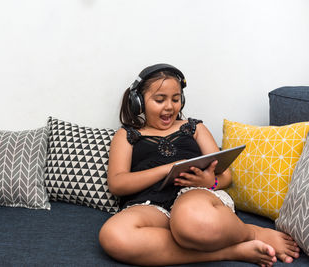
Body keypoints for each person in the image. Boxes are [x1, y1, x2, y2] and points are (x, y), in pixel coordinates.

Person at [99, 63, 300, 266]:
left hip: (195, 195)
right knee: (114, 234)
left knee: (191, 219)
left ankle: (253, 232)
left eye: (176, 99)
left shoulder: (194, 128)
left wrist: (208, 182)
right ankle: (232, 251)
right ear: (138, 103)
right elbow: (117, 184)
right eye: (160, 100)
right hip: (151, 206)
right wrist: (167, 168)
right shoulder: (127, 135)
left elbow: (226, 176)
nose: (169, 106)